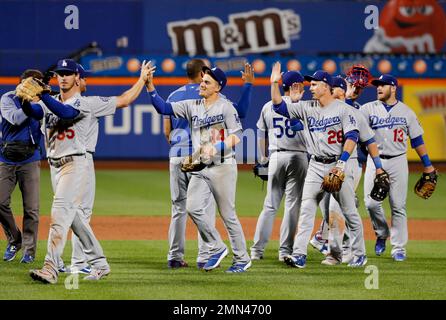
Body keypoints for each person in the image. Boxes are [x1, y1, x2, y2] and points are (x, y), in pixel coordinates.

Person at [19, 58, 150, 284]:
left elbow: (68, 113)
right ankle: (99, 263)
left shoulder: (85, 103)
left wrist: (141, 79)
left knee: (60, 214)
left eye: (68, 73)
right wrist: (23, 101)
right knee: (75, 218)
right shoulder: (48, 103)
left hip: (75, 164)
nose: (63, 77)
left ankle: (51, 268)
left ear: (78, 78)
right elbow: (35, 112)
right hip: (54, 166)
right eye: (60, 73)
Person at [147, 63, 252, 273]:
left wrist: (218, 147)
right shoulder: (192, 105)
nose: (202, 84)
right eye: (202, 80)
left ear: (218, 87)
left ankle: (242, 258)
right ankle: (217, 246)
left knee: (227, 214)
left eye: (207, 82)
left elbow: (237, 135)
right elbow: (163, 108)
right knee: (192, 207)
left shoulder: (225, 107)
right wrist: (150, 86)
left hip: (223, 166)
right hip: (200, 166)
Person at [270, 62, 368, 268]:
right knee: (306, 209)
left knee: (349, 211)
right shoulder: (306, 107)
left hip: (337, 165)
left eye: (314, 84)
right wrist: (274, 83)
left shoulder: (343, 109)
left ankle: (360, 254)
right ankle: (299, 254)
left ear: (326, 86)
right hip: (315, 165)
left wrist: (341, 163)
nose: (310, 87)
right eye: (311, 84)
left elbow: (352, 136)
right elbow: (279, 106)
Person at [58, 62, 151, 274]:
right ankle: (79, 263)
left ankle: (71, 262)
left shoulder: (63, 102)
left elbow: (126, 99)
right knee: (78, 211)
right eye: (84, 77)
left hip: (61, 163)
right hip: (80, 161)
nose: (86, 81)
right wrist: (142, 79)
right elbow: (125, 99)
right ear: (78, 80)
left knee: (71, 211)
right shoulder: (87, 103)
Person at [362, 74, 437, 262]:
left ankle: (398, 248)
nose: (378, 88)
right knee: (371, 203)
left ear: (393, 88)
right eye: (377, 85)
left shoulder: (406, 112)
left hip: (397, 161)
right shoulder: (367, 109)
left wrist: (427, 165)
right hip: (375, 161)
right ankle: (381, 233)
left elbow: (417, 140)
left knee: (398, 205)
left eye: (383, 85)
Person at [250, 71, 308, 262]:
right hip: (299, 157)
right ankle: (285, 251)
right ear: (295, 86)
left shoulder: (269, 105)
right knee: (293, 206)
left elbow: (260, 132)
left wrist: (263, 157)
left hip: (275, 156)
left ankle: (257, 251)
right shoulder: (304, 106)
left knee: (270, 205)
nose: (305, 86)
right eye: (301, 84)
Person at [0, 69, 44, 264]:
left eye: (38, 83)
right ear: (21, 83)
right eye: (31, 83)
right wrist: (30, 103)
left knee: (31, 209)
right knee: (0, 202)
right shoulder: (7, 98)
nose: (33, 86)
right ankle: (14, 239)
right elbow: (16, 119)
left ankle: (29, 250)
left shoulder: (43, 102)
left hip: (30, 158)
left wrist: (39, 102)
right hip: (6, 158)